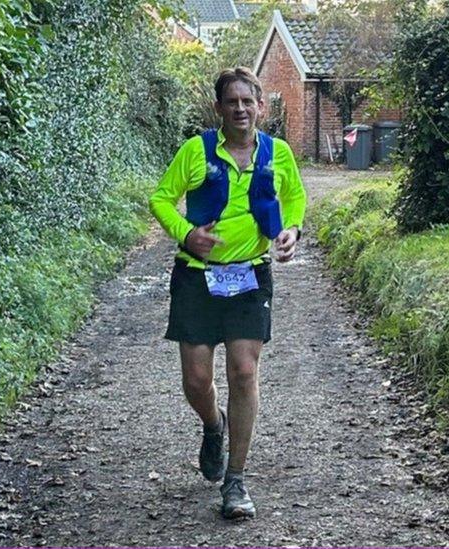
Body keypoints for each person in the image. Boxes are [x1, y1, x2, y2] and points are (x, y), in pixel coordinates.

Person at [148, 67, 306, 519]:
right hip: (197, 276)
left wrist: (291, 229)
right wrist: (185, 234)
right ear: (219, 107)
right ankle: (212, 425)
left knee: (243, 371)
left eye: (247, 101)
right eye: (231, 101)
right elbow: (160, 198)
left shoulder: (278, 154)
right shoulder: (195, 151)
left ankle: (235, 480)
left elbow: (294, 197)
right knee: (197, 380)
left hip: (250, 275)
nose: (240, 108)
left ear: (261, 107)